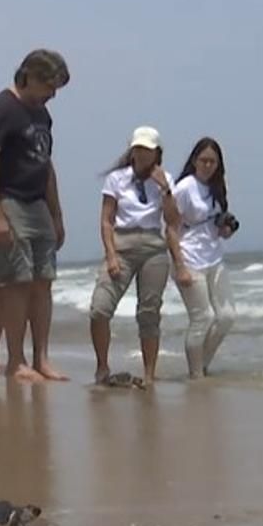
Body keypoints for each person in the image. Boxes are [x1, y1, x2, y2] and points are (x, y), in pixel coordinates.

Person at [0, 48, 70, 382]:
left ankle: (42, 358)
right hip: (7, 199)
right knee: (16, 283)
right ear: (29, 76)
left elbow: (47, 164)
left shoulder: (42, 115)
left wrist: (56, 214)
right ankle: (15, 361)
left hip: (37, 201)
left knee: (43, 282)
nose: (53, 95)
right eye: (49, 86)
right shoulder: (1, 108)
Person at [89, 126, 186, 386]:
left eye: (147, 150)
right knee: (100, 308)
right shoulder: (117, 179)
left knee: (149, 312)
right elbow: (106, 220)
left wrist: (165, 189)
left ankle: (149, 374)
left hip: (153, 245)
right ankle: (102, 366)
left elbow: (173, 221)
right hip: (122, 242)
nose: (141, 155)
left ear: (157, 153)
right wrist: (110, 255)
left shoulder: (165, 179)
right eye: (138, 149)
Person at [171, 137, 239, 378]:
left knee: (227, 316)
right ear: (194, 160)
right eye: (204, 160)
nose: (208, 165)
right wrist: (179, 266)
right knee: (203, 317)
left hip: (214, 257)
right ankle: (196, 375)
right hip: (189, 259)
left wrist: (226, 229)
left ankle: (202, 364)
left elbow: (216, 225)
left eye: (213, 161)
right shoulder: (184, 188)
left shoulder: (216, 188)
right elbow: (169, 228)